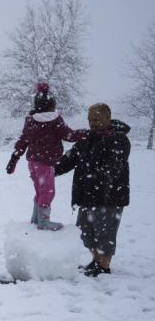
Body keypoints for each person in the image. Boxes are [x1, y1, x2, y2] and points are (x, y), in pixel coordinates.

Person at [54, 103, 131, 277]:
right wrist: (49, 170)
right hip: (87, 195)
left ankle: (103, 267)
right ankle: (96, 261)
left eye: (96, 119)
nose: (92, 123)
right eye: (90, 119)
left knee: (104, 234)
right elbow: (69, 160)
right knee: (85, 232)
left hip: (109, 196)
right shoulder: (86, 138)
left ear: (108, 118)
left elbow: (113, 166)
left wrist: (94, 174)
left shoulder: (118, 138)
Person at [6, 82, 88, 230]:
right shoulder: (54, 120)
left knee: (40, 190)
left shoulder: (31, 121)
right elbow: (69, 135)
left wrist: (14, 158)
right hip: (46, 164)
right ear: (52, 105)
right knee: (48, 191)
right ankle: (43, 222)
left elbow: (23, 141)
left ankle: (36, 218)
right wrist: (85, 133)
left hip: (33, 163)